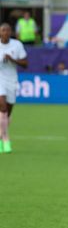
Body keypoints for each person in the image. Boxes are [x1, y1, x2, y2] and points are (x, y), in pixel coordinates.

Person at [0, 24, 28, 153]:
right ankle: (6, 140)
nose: (5, 32)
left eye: (7, 30)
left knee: (7, 114)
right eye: (3, 30)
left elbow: (25, 64)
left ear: (10, 32)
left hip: (12, 80)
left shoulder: (17, 45)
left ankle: (1, 136)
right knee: (3, 108)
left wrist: (13, 59)